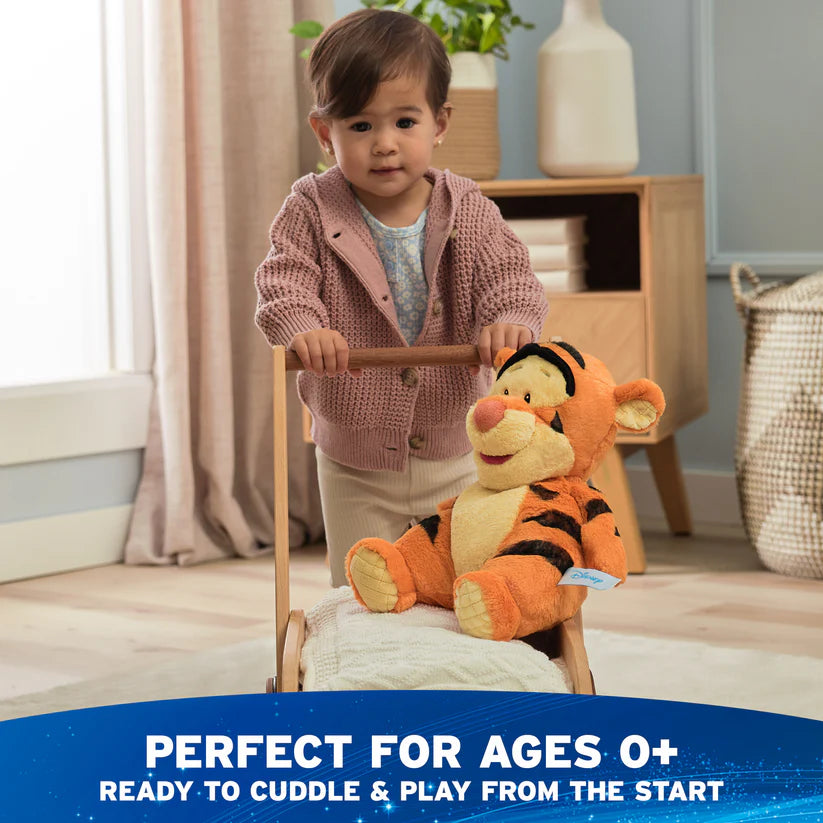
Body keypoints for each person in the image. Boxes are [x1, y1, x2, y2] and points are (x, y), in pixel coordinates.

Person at [254, 8, 548, 586]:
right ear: (326, 133)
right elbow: (283, 282)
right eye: (361, 126)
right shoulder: (310, 208)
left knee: (464, 586)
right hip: (354, 464)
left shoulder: (467, 208)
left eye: (405, 122)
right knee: (366, 592)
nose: (385, 145)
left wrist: (509, 318)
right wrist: (305, 328)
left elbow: (510, 277)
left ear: (439, 123)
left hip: (457, 453)